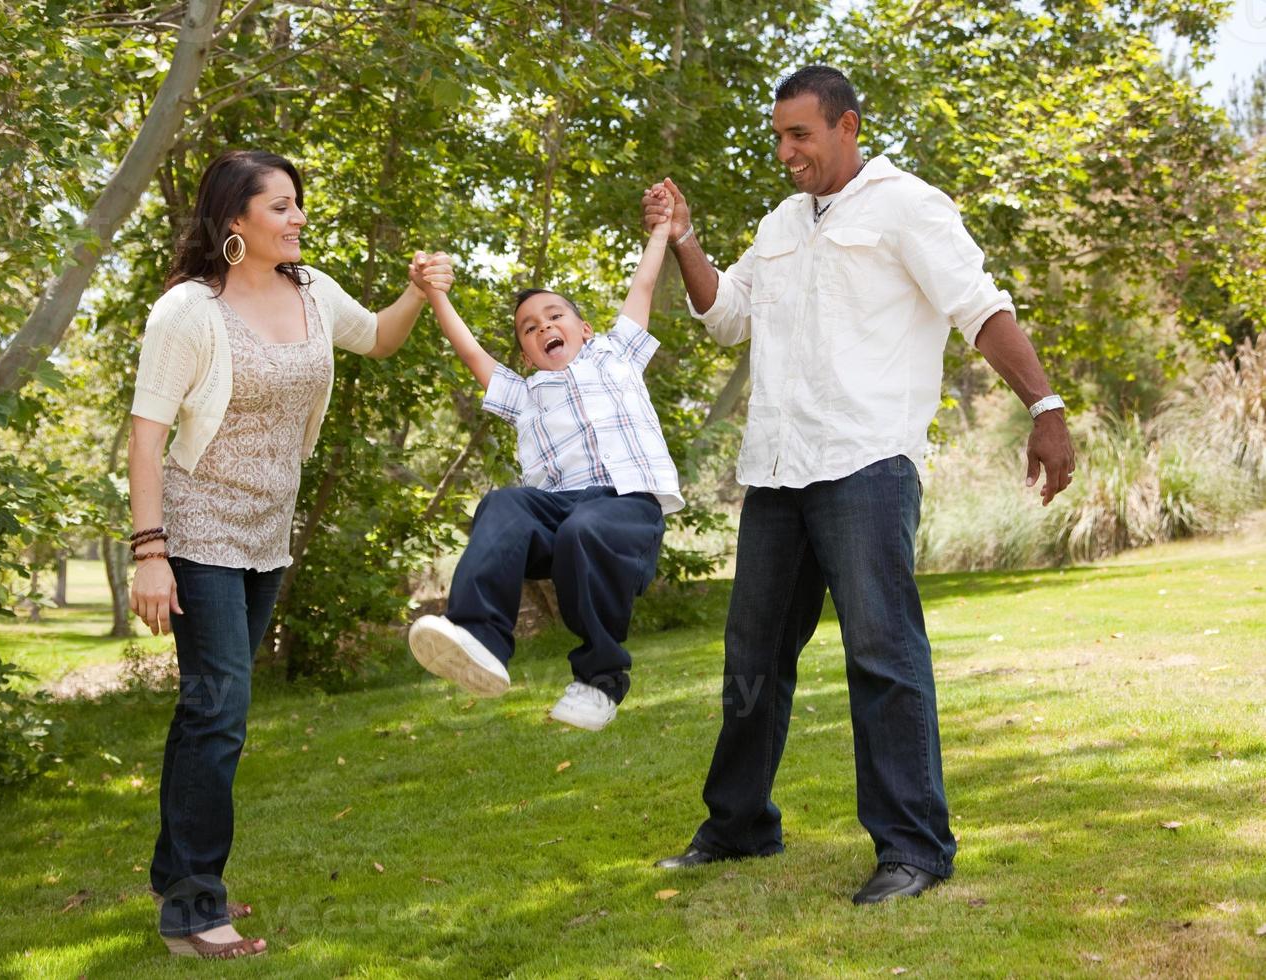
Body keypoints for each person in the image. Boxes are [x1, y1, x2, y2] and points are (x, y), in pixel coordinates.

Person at [644, 66, 1076, 903]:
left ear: (847, 126)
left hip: (866, 464)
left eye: (799, 135)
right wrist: (687, 239)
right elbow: (726, 314)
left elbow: (979, 308)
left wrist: (1045, 406)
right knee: (753, 657)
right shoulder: (779, 223)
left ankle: (913, 848)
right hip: (777, 468)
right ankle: (738, 826)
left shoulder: (907, 205)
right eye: (777, 136)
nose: (785, 151)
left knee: (883, 655)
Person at [127, 149, 451, 957]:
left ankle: (175, 875)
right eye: (281, 206)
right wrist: (150, 552)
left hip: (268, 533)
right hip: (196, 530)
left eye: (298, 203)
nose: (298, 216)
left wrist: (417, 291)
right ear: (234, 219)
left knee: (208, 705)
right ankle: (197, 911)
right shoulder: (188, 312)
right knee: (221, 708)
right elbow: (146, 435)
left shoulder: (312, 291)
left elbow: (376, 339)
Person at [407, 190, 685, 732]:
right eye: (528, 329)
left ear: (583, 329)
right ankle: (480, 638)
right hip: (561, 514)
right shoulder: (525, 393)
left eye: (553, 316)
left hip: (628, 509)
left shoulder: (616, 355)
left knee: (587, 525)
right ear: (526, 354)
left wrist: (661, 230)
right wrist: (434, 294)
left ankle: (601, 680)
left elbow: (644, 284)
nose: (542, 328)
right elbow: (468, 351)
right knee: (504, 504)